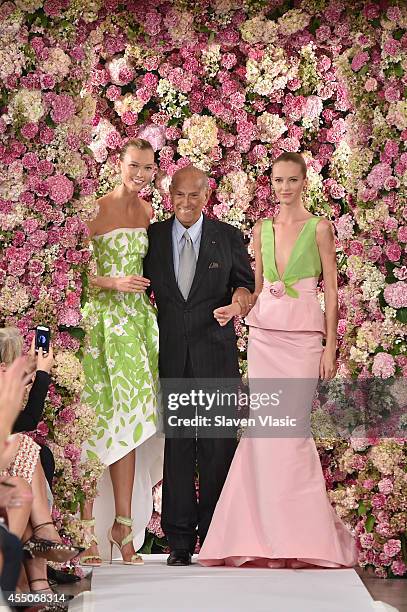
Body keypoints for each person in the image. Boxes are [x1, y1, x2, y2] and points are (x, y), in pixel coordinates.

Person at [198, 152, 358, 569]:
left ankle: (303, 540)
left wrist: (330, 348)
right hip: (264, 338)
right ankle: (258, 540)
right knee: (263, 436)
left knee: (293, 435)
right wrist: (235, 309)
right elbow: (256, 289)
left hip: (304, 339)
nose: (284, 187)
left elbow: (333, 294)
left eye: (291, 180)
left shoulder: (320, 228)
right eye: (278, 180)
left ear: (304, 181)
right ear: (271, 183)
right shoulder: (262, 229)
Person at [143, 165, 255, 566]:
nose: (186, 203)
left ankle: (215, 536)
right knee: (177, 449)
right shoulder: (152, 238)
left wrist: (239, 303)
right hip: (171, 356)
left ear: (206, 197)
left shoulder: (227, 237)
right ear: (169, 195)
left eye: (194, 196)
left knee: (215, 447)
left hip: (215, 355)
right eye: (179, 195)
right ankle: (179, 542)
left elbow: (245, 284)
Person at [80, 138, 162, 566]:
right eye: (135, 165)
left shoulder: (148, 213)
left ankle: (124, 528)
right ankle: (83, 531)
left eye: (148, 168)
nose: (141, 174)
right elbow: (74, 272)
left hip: (138, 328)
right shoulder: (93, 210)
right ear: (119, 163)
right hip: (101, 325)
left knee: (132, 423)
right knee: (94, 418)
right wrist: (111, 282)